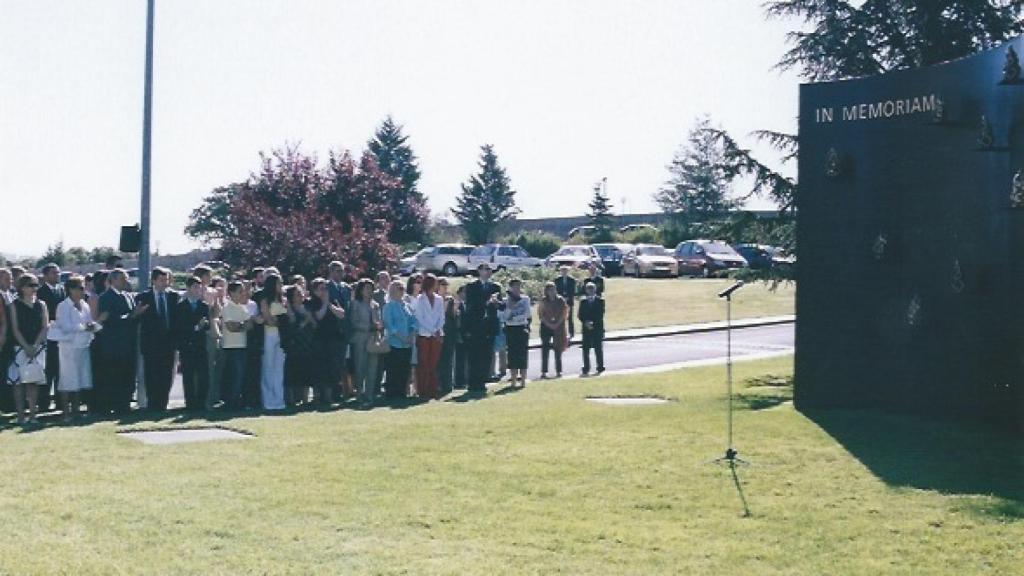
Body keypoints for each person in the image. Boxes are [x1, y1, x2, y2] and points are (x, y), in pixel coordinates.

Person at [95, 269, 144, 415]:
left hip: (128, 343)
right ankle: (111, 405)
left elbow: (133, 318)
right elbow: (108, 319)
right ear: (113, 280)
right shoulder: (105, 297)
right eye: (122, 279)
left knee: (128, 375)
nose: (126, 282)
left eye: (126, 279)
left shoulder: (129, 296)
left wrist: (137, 314)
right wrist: (131, 316)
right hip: (113, 344)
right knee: (113, 376)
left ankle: (124, 404)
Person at [7, 274, 49, 424]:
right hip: (19, 346)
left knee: (33, 381)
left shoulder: (41, 304)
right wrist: (25, 346)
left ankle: (32, 415)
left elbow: (45, 326)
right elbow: (15, 328)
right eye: (30, 285)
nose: (33, 288)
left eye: (35, 285)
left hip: (37, 346)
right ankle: (20, 415)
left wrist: (35, 346)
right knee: (18, 383)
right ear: (22, 287)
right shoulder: (14, 305)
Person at [55, 276, 97, 422]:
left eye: (84, 288)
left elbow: (89, 321)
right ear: (71, 290)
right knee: (68, 380)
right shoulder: (63, 306)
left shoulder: (84, 305)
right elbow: (65, 327)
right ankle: (66, 413)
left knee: (80, 379)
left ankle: (76, 411)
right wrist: (84, 327)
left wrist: (92, 326)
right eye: (80, 288)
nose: (83, 291)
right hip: (68, 348)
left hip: (83, 346)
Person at [136, 267, 179, 413]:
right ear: (154, 281)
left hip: (169, 343)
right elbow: (138, 320)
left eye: (166, 280)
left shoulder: (173, 296)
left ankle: (163, 404)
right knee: (152, 375)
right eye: (161, 280)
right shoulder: (143, 297)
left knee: (166, 375)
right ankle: (152, 404)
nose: (165, 283)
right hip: (151, 344)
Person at [174, 277, 211, 411]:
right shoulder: (180, 306)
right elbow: (180, 326)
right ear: (188, 288)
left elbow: (206, 325)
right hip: (187, 345)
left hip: (200, 345)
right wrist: (196, 327)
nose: (198, 290)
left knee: (203, 376)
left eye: (200, 287)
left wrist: (205, 325)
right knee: (188, 376)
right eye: (195, 287)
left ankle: (201, 403)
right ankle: (190, 404)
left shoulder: (204, 306)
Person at [463, 263, 501, 392]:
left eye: (490, 270)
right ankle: (473, 383)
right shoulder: (471, 286)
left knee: (486, 356)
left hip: (489, 326)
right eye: (486, 269)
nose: (488, 272)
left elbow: (502, 306)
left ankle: (483, 382)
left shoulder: (495, 287)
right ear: (479, 271)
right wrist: (486, 301)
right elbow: (470, 305)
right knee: (475, 356)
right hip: (475, 326)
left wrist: (497, 303)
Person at [309, 278, 345, 406]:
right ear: (314, 291)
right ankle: (318, 396)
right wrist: (324, 304)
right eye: (321, 289)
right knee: (321, 369)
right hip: (319, 339)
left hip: (334, 338)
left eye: (325, 289)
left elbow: (341, 314)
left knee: (333, 368)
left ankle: (330, 396)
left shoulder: (332, 301)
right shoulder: (312, 302)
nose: (324, 292)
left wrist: (329, 303)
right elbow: (318, 316)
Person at [282, 284, 318, 407]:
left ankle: (305, 399)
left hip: (308, 344)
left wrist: (310, 319)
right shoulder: (289, 310)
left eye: (302, 293)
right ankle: (291, 399)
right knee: (292, 373)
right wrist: (305, 321)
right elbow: (292, 328)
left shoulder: (307, 308)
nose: (301, 296)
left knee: (307, 372)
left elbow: (315, 326)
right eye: (298, 294)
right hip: (294, 345)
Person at [220, 281, 253, 410]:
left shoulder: (242, 307)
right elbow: (231, 327)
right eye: (240, 291)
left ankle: (237, 402)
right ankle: (230, 403)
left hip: (242, 345)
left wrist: (241, 325)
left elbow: (250, 325)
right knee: (234, 376)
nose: (243, 294)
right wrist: (242, 325)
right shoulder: (227, 307)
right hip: (231, 347)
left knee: (241, 376)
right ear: (231, 293)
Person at [349, 278, 382, 407]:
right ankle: (359, 395)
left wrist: (378, 327)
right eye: (366, 288)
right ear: (361, 290)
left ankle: (369, 395)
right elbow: (353, 322)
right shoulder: (355, 304)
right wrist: (368, 327)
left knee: (372, 368)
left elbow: (379, 320)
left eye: (371, 288)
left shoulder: (375, 305)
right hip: (360, 339)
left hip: (373, 339)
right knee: (360, 367)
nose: (369, 291)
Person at [37, 263, 65, 412]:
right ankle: (43, 403)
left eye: (58, 273)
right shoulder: (41, 292)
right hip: (47, 335)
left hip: (60, 335)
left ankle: (61, 401)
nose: (57, 275)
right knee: (47, 370)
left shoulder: (61, 290)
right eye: (54, 273)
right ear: (46, 275)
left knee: (60, 368)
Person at [381, 281, 415, 400]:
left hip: (407, 344)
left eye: (401, 288)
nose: (399, 291)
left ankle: (402, 393)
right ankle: (392, 394)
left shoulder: (407, 306)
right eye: (396, 289)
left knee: (404, 369)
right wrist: (401, 338)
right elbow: (389, 325)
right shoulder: (388, 306)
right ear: (391, 291)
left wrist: (410, 336)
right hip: (394, 343)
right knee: (393, 369)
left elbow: (413, 322)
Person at [258, 274, 287, 411]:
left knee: (278, 369)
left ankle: (279, 400)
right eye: (278, 283)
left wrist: (281, 320)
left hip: (280, 335)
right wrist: (279, 320)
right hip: (269, 334)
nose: (281, 286)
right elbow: (268, 319)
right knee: (268, 367)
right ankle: (268, 400)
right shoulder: (265, 300)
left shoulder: (282, 300)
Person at [414, 274, 445, 400]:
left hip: (437, 335)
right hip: (424, 334)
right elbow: (420, 318)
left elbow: (441, 316)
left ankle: (433, 390)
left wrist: (438, 329)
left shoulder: (439, 299)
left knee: (433, 363)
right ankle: (423, 390)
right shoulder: (420, 299)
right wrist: (433, 330)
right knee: (423, 364)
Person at [500, 278, 531, 388]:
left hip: (522, 327)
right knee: (512, 355)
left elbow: (527, 314)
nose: (517, 288)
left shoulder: (525, 299)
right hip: (511, 329)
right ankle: (513, 380)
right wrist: (510, 307)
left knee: (522, 354)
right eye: (514, 286)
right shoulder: (506, 301)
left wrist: (516, 317)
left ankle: (522, 380)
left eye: (518, 286)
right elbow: (505, 317)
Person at [537, 281, 568, 379]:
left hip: (558, 326)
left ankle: (559, 370)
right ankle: (544, 371)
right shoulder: (543, 301)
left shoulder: (560, 300)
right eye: (549, 290)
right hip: (546, 326)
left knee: (558, 348)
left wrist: (557, 324)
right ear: (546, 291)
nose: (552, 292)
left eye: (553, 289)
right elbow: (541, 315)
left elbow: (564, 313)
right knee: (545, 348)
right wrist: (549, 324)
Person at [578, 282, 606, 376]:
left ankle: (600, 367)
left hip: (597, 327)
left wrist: (592, 322)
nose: (590, 290)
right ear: (586, 290)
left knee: (598, 348)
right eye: (588, 289)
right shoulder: (583, 302)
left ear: (595, 290)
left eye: (592, 289)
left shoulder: (600, 301)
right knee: (585, 349)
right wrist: (585, 322)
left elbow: (600, 314)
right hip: (586, 328)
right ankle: (586, 367)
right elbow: (580, 314)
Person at [437, 278, 458, 395]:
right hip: (437, 333)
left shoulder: (450, 300)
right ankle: (438, 384)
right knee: (438, 360)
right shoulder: (434, 299)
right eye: (442, 286)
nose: (445, 288)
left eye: (446, 286)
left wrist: (455, 308)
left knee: (448, 360)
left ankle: (448, 385)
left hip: (449, 333)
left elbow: (453, 317)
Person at [554, 266, 578, 341]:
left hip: (569, 301)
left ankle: (571, 333)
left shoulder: (572, 280)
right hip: (560, 301)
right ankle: (561, 333)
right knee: (560, 317)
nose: (564, 272)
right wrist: (561, 297)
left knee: (570, 318)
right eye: (562, 270)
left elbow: (573, 291)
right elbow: (556, 291)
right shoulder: (557, 280)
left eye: (565, 270)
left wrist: (568, 297)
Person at [452, 286, 468, 390]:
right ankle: (458, 381)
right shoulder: (456, 304)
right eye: (464, 292)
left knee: (465, 359)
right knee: (459, 360)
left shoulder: (468, 304)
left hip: (467, 335)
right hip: (458, 335)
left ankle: (464, 380)